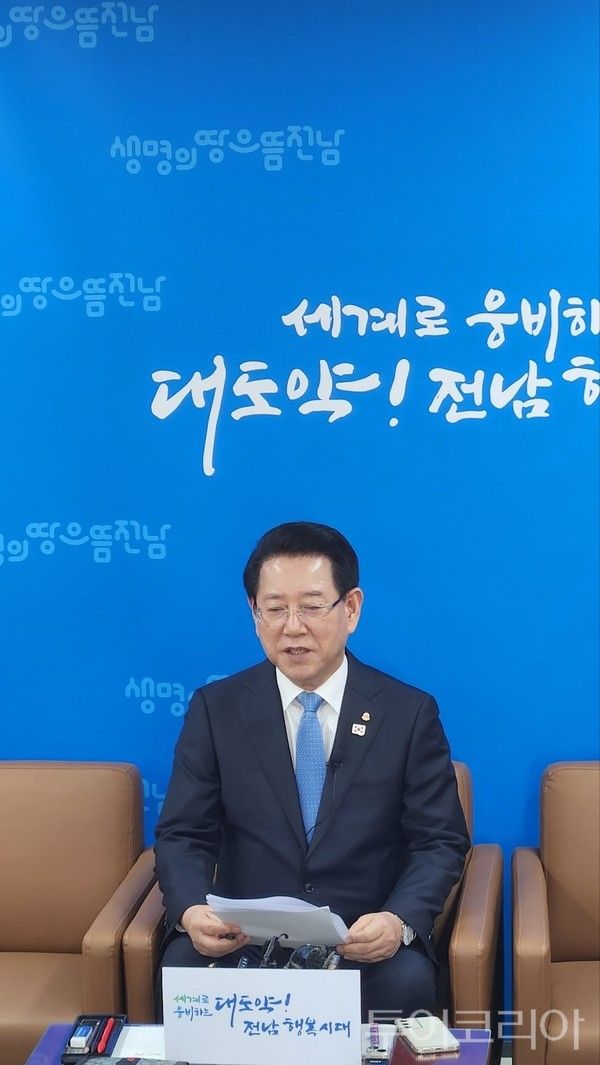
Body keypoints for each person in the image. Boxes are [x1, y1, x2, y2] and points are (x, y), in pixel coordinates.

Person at [154, 521, 470, 1020]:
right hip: (244, 940)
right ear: (254, 613)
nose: (293, 627)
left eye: (312, 606)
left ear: (352, 608)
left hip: (362, 942)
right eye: (275, 608)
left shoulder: (407, 713)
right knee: (183, 964)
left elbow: (439, 840)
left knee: (406, 980)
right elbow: (183, 832)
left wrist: (398, 919)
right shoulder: (217, 710)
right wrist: (192, 910)